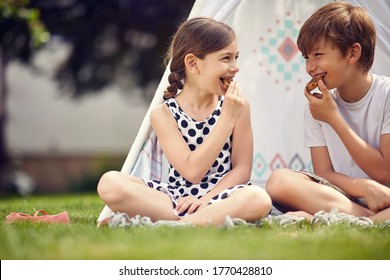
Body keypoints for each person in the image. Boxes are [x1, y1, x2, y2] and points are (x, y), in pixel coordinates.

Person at [97, 17, 272, 226]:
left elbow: (242, 170)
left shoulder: (237, 106)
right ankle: (196, 221)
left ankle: (178, 225)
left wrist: (205, 201)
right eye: (226, 58)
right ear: (192, 64)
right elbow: (192, 172)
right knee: (110, 183)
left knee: (257, 198)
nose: (235, 67)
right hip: (176, 200)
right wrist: (227, 119)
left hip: (221, 197)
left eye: (236, 57)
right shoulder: (163, 114)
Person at [266, 2, 390, 221]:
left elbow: (383, 172)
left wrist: (333, 118)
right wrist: (362, 187)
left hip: (385, 194)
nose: (310, 67)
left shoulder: (386, 94)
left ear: (353, 53)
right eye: (306, 57)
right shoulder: (318, 104)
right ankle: (369, 220)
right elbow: (324, 174)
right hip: (345, 196)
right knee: (279, 181)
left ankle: (349, 220)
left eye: (318, 55)